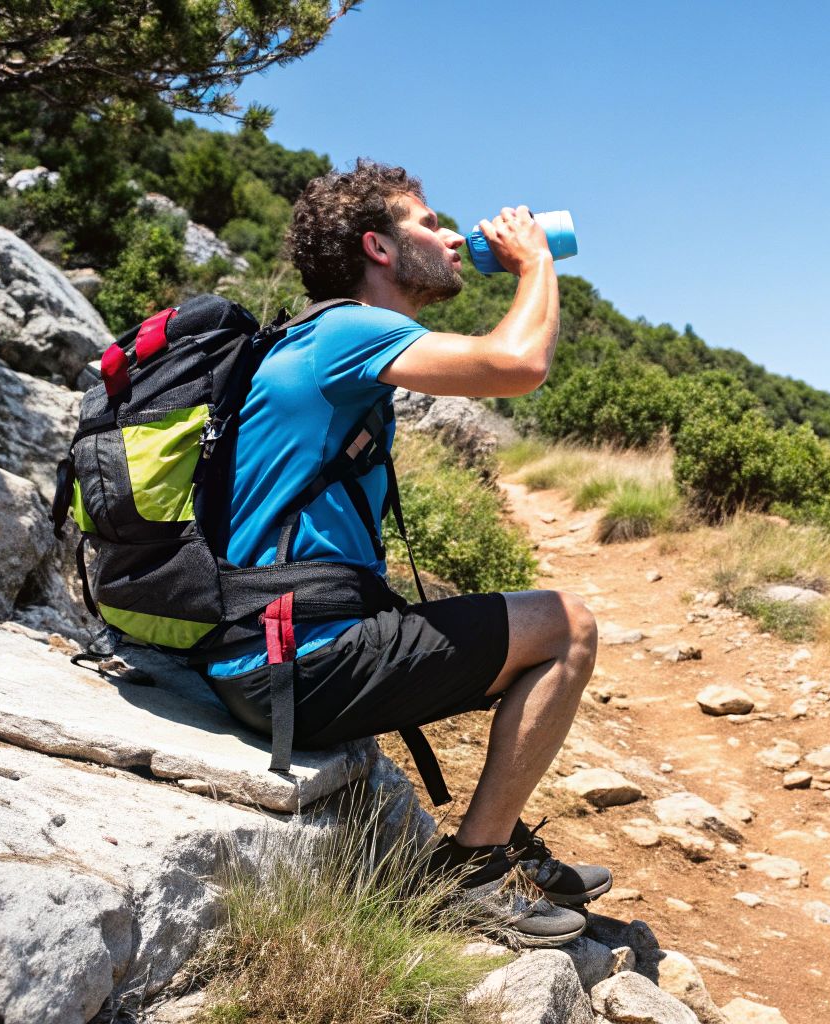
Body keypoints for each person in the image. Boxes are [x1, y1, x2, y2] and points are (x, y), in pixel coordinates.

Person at [199, 158, 609, 947]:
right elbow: (518, 364)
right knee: (567, 626)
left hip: (266, 654)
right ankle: (476, 871)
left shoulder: (313, 337)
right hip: (296, 666)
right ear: (378, 250)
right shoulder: (350, 328)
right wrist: (536, 261)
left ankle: (502, 845)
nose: (452, 235)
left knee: (523, 628)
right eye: (426, 221)